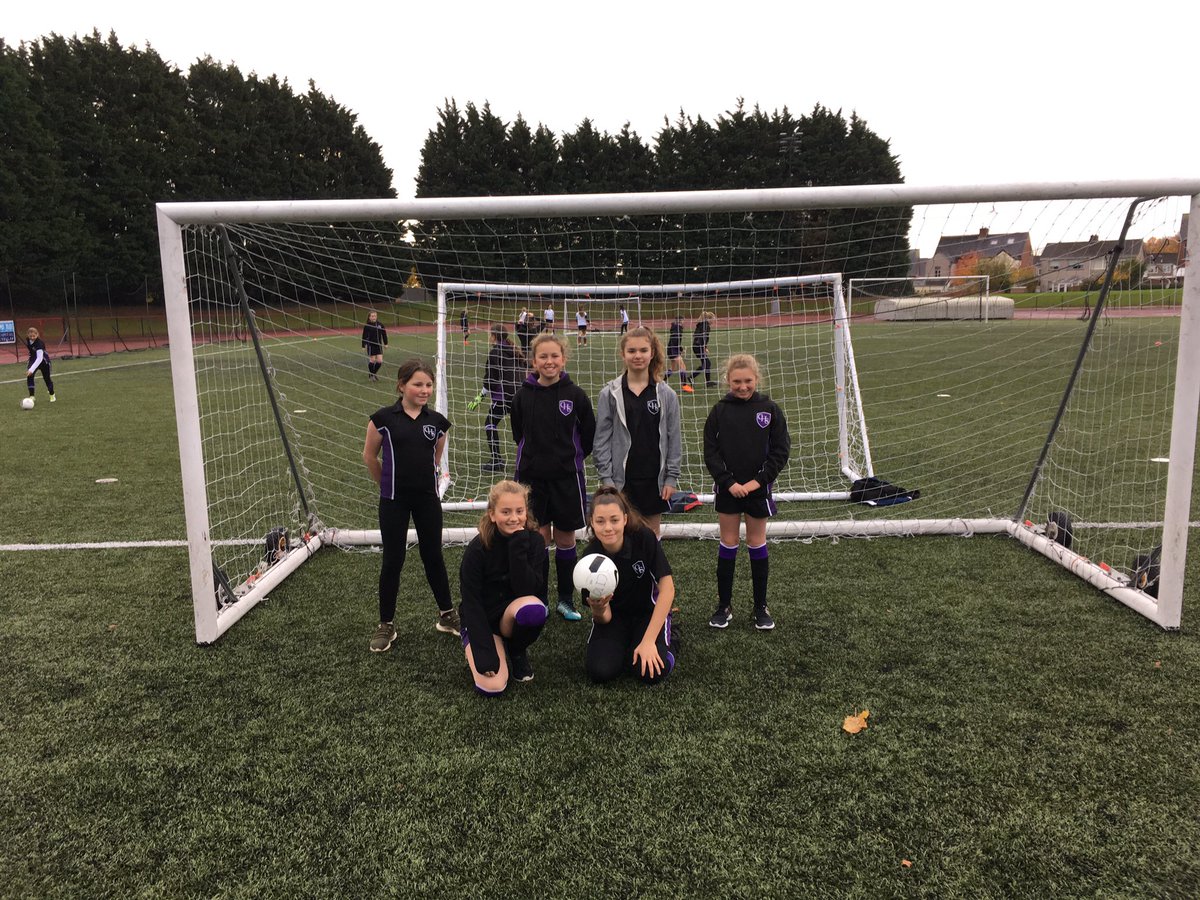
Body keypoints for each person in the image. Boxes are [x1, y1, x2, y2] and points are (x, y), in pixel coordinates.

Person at [362, 358, 459, 652]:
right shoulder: (382, 419)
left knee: (433, 557)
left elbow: (433, 459)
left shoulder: (437, 423)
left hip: (427, 500)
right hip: (393, 501)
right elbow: (369, 456)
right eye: (418, 384)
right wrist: (388, 486)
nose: (424, 390)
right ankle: (386, 624)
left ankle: (447, 615)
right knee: (393, 560)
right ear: (402, 385)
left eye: (428, 384)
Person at [510, 332, 596, 621]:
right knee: (538, 539)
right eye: (543, 356)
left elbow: (589, 435)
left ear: (564, 359)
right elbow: (517, 433)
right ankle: (540, 598)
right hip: (532, 479)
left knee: (565, 538)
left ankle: (565, 600)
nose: (549, 361)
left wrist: (568, 458)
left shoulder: (575, 395)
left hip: (566, 478)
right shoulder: (523, 395)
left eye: (554, 356)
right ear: (534, 361)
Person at [703, 354, 790, 632]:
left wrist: (756, 483)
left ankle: (760, 607)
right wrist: (728, 482)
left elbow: (780, 451)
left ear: (757, 379)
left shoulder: (770, 409)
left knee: (756, 543)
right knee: (728, 543)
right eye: (737, 381)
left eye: (748, 381)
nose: (742, 386)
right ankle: (724, 606)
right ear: (728, 380)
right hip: (729, 490)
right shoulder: (719, 411)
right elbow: (710, 452)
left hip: (757, 490)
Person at [458, 480, 549, 691]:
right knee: (493, 687)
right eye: (506, 512)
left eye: (519, 511)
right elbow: (472, 602)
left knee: (533, 609)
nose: (514, 518)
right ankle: (477, 642)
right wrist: (484, 653)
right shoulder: (477, 548)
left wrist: (518, 546)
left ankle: (516, 650)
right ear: (492, 514)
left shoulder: (535, 542)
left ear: (526, 512)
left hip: (511, 613)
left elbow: (529, 591)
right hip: (483, 616)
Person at [581, 487, 676, 686]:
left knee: (651, 673)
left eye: (614, 520)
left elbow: (667, 589)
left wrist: (649, 641)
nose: (608, 528)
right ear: (591, 522)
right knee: (601, 671)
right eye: (600, 521)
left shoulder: (644, 538)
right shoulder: (589, 561)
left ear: (625, 519)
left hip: (647, 614)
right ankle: (626, 644)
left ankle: (670, 640)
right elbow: (602, 617)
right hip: (614, 619)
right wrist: (598, 609)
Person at [593, 326, 681, 536]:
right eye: (632, 351)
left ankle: (651, 569)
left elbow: (674, 438)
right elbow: (601, 440)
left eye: (643, 350)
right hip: (621, 480)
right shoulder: (610, 394)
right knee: (622, 532)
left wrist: (671, 478)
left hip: (654, 478)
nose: (638, 356)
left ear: (652, 353)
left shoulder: (666, 395)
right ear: (623, 354)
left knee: (651, 534)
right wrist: (607, 479)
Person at [480, 323, 527, 472]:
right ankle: (529, 459)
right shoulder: (513, 349)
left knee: (490, 423)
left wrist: (480, 396)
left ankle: (496, 460)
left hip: (504, 396)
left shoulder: (495, 352)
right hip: (521, 395)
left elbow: (491, 379)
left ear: (493, 336)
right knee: (522, 429)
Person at [663, 314, 693, 394]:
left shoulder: (675, 327)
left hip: (672, 349)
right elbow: (676, 340)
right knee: (683, 367)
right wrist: (680, 349)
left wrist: (679, 349)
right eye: (683, 321)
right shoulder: (678, 329)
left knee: (673, 368)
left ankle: (660, 382)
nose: (684, 322)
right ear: (680, 321)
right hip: (673, 350)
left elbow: (675, 340)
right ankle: (685, 386)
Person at [24, 327, 56, 402]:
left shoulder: (39, 343)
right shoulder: (28, 339)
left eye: (34, 336)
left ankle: (52, 394)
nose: (32, 338)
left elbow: (39, 358)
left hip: (43, 361)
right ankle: (32, 396)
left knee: (47, 379)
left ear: (37, 335)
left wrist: (31, 369)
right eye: (30, 336)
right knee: (29, 376)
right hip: (33, 359)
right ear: (28, 335)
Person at [691, 311, 717, 387]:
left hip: (696, 346)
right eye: (712, 319)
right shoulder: (706, 326)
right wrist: (703, 348)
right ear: (708, 319)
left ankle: (707, 382)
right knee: (707, 363)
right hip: (699, 346)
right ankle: (692, 377)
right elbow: (702, 338)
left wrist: (704, 347)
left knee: (706, 364)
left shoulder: (701, 325)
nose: (713, 321)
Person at [361, 311, 388, 382]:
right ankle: (372, 376)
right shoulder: (367, 326)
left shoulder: (380, 325)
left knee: (380, 361)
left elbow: (384, 334)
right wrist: (363, 345)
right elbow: (364, 336)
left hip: (379, 345)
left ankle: (372, 374)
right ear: (369, 317)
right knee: (372, 360)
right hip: (370, 345)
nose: (374, 317)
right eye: (372, 316)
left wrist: (386, 343)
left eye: (375, 316)